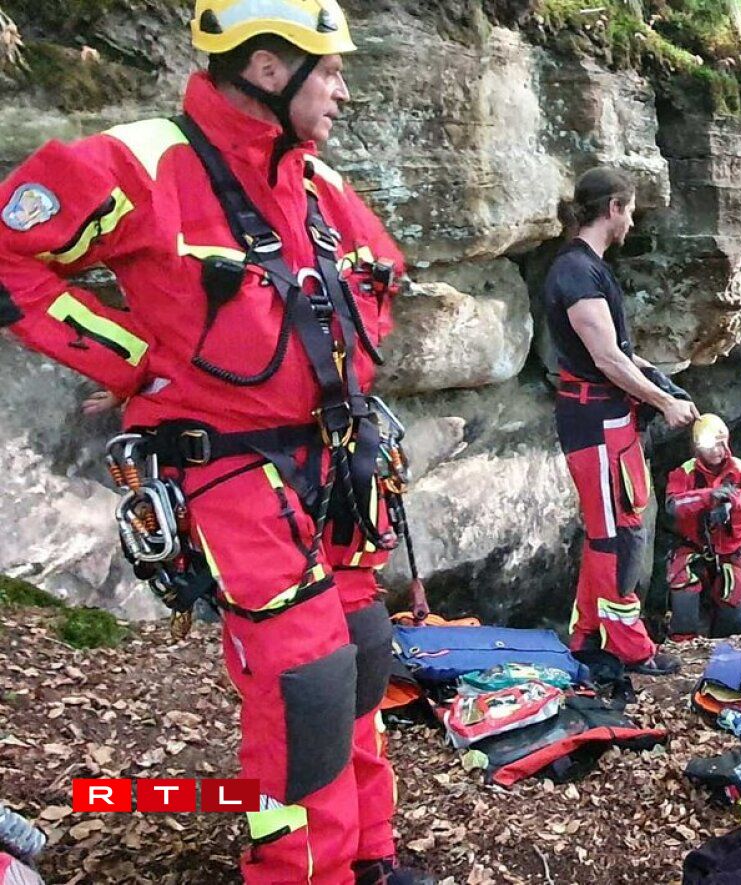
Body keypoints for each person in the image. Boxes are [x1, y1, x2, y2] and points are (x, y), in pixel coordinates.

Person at [0, 2, 426, 881]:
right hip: (230, 470)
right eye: (330, 71)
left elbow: (380, 281)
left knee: (360, 647)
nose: (343, 91)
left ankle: (368, 852)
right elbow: (11, 258)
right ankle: (302, 871)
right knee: (305, 682)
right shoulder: (140, 163)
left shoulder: (317, 184)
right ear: (269, 67)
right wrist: (134, 359)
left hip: (336, 463)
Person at [543, 166, 698, 677]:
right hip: (594, 422)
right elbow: (607, 358)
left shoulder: (588, 268)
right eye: (629, 210)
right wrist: (664, 402)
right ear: (613, 208)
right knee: (617, 535)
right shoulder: (576, 271)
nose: (631, 221)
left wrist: (658, 380)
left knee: (612, 527)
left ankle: (588, 634)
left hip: (607, 417)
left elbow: (620, 353)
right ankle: (630, 647)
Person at [664, 414, 741, 640]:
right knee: (682, 580)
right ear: (698, 447)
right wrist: (708, 497)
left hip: (731, 551)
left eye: (721, 444)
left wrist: (732, 501)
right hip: (693, 546)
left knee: (732, 593)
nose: (716, 451)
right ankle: (683, 641)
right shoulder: (685, 472)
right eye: (710, 446)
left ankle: (721, 643)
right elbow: (673, 505)